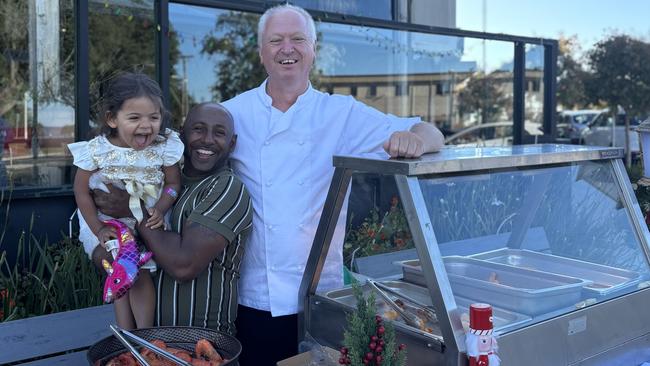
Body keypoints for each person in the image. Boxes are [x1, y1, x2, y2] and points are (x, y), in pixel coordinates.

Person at [221, 4, 445, 365]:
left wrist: (415, 140)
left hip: (322, 297)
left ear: (313, 50)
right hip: (252, 297)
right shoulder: (231, 113)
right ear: (261, 52)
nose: (287, 48)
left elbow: (430, 130)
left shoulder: (341, 113)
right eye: (275, 40)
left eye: (298, 39)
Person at [94, 102, 253, 336]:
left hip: (199, 346)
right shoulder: (157, 184)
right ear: (181, 134)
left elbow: (183, 264)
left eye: (219, 133)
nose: (207, 140)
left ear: (232, 143)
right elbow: (106, 256)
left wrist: (131, 209)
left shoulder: (227, 188)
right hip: (144, 346)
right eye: (198, 129)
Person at [68, 72, 183, 329]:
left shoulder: (164, 147)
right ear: (112, 119)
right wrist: (98, 228)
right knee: (122, 268)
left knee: (138, 272)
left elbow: (174, 184)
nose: (146, 125)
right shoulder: (97, 150)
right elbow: (81, 192)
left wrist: (161, 207)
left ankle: (144, 334)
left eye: (154, 117)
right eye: (134, 118)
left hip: (147, 218)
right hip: (105, 222)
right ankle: (128, 335)